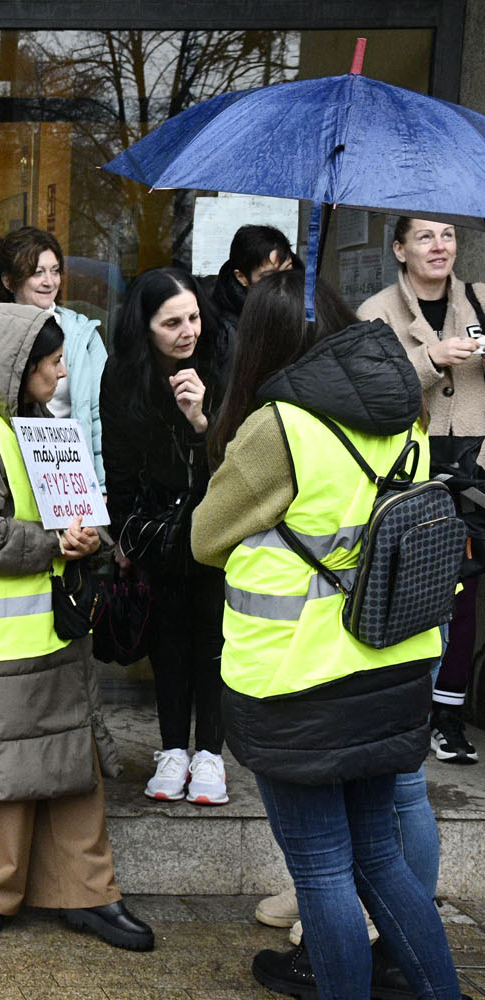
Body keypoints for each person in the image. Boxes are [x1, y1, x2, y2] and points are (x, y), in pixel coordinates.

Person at [193, 269, 462, 1000]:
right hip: (392, 664)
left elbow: (206, 538)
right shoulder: (403, 409)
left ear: (260, 343)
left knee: (320, 870)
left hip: (297, 680)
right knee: (380, 859)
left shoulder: (278, 426)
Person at [0, 302, 152, 952]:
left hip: (47, 636)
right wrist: (59, 543)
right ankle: (0, 893)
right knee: (5, 774)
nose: (61, 374)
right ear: (17, 367)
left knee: (69, 767)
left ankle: (76, 893)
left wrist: (89, 538)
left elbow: (71, 509)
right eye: (53, 362)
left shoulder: (33, 425)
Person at [101, 267, 229, 805]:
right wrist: (124, 538)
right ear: (145, 326)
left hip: (216, 519)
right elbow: (118, 464)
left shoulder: (220, 357)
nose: (187, 331)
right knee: (168, 636)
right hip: (156, 524)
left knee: (213, 636)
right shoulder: (123, 374)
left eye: (193, 317)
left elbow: (239, 459)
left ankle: (211, 754)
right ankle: (173, 748)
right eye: (171, 323)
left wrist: (201, 420)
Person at [360, 218, 485, 765]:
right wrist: (431, 359)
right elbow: (369, 392)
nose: (440, 247)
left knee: (465, 595)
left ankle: (448, 719)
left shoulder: (481, 301)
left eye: (448, 236)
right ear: (399, 248)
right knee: (412, 592)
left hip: (478, 470)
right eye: (425, 237)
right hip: (412, 472)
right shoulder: (376, 312)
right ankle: (405, 713)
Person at [0, 227, 107, 483]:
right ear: (8, 281)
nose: (49, 281)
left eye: (55, 271)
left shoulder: (82, 335)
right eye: (37, 272)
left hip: (71, 474)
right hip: (6, 472)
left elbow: (100, 415)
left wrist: (100, 484)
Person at [200, 225, 296, 369]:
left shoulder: (301, 304)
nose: (283, 282)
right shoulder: (226, 333)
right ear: (241, 277)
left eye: (288, 270)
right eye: (270, 276)